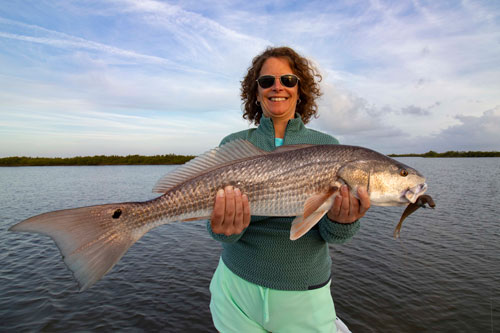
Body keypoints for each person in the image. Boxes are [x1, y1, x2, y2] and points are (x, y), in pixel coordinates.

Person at [207, 46, 370, 333]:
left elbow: (333, 236)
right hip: (234, 287)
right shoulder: (233, 144)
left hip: (302, 293)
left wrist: (343, 222)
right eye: (267, 81)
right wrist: (223, 229)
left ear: (300, 88)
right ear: (256, 91)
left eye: (288, 80)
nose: (277, 87)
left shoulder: (329, 146)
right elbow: (218, 230)